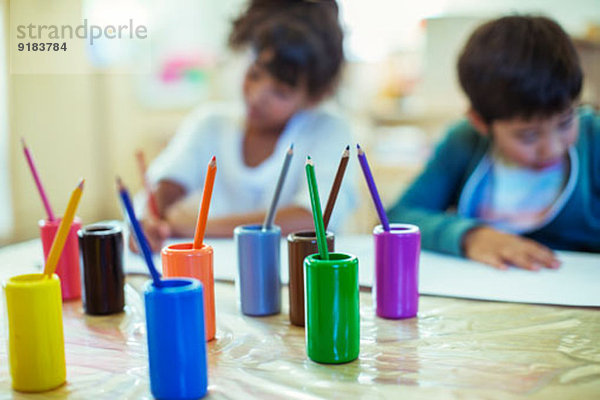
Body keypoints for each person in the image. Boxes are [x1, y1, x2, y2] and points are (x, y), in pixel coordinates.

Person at [137, 0, 356, 252]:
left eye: (281, 92)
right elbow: (158, 192)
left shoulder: (328, 131)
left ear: (313, 97)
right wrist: (149, 220)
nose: (256, 96)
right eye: (254, 74)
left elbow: (314, 219)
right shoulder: (210, 125)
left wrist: (199, 227)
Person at [388, 15, 600, 270]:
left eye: (566, 122)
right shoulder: (463, 141)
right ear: (480, 122)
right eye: (528, 136)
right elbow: (400, 217)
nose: (552, 148)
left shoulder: (593, 138)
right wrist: (471, 236)